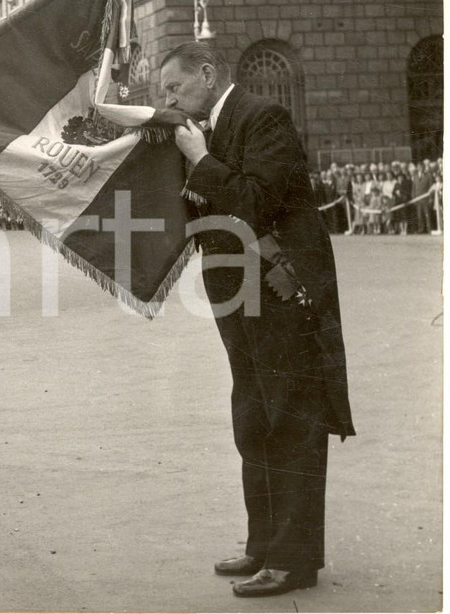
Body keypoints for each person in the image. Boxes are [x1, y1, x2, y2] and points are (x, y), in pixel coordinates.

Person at [160, 41, 354, 598]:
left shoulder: (263, 118)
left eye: (174, 88)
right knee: (252, 415)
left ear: (205, 73)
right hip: (238, 293)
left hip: (280, 289)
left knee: (289, 417)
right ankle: (262, 544)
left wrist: (200, 159)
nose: (170, 100)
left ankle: (293, 562)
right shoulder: (206, 130)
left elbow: (253, 202)